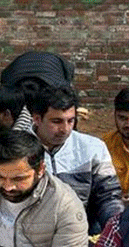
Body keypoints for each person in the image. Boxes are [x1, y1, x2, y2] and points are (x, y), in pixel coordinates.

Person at [29, 86, 123, 233]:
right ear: (37, 119)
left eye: (70, 121)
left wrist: (115, 229)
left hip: (82, 229)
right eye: (57, 121)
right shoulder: (13, 150)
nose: (65, 129)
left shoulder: (92, 147)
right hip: (29, 232)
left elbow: (109, 196)